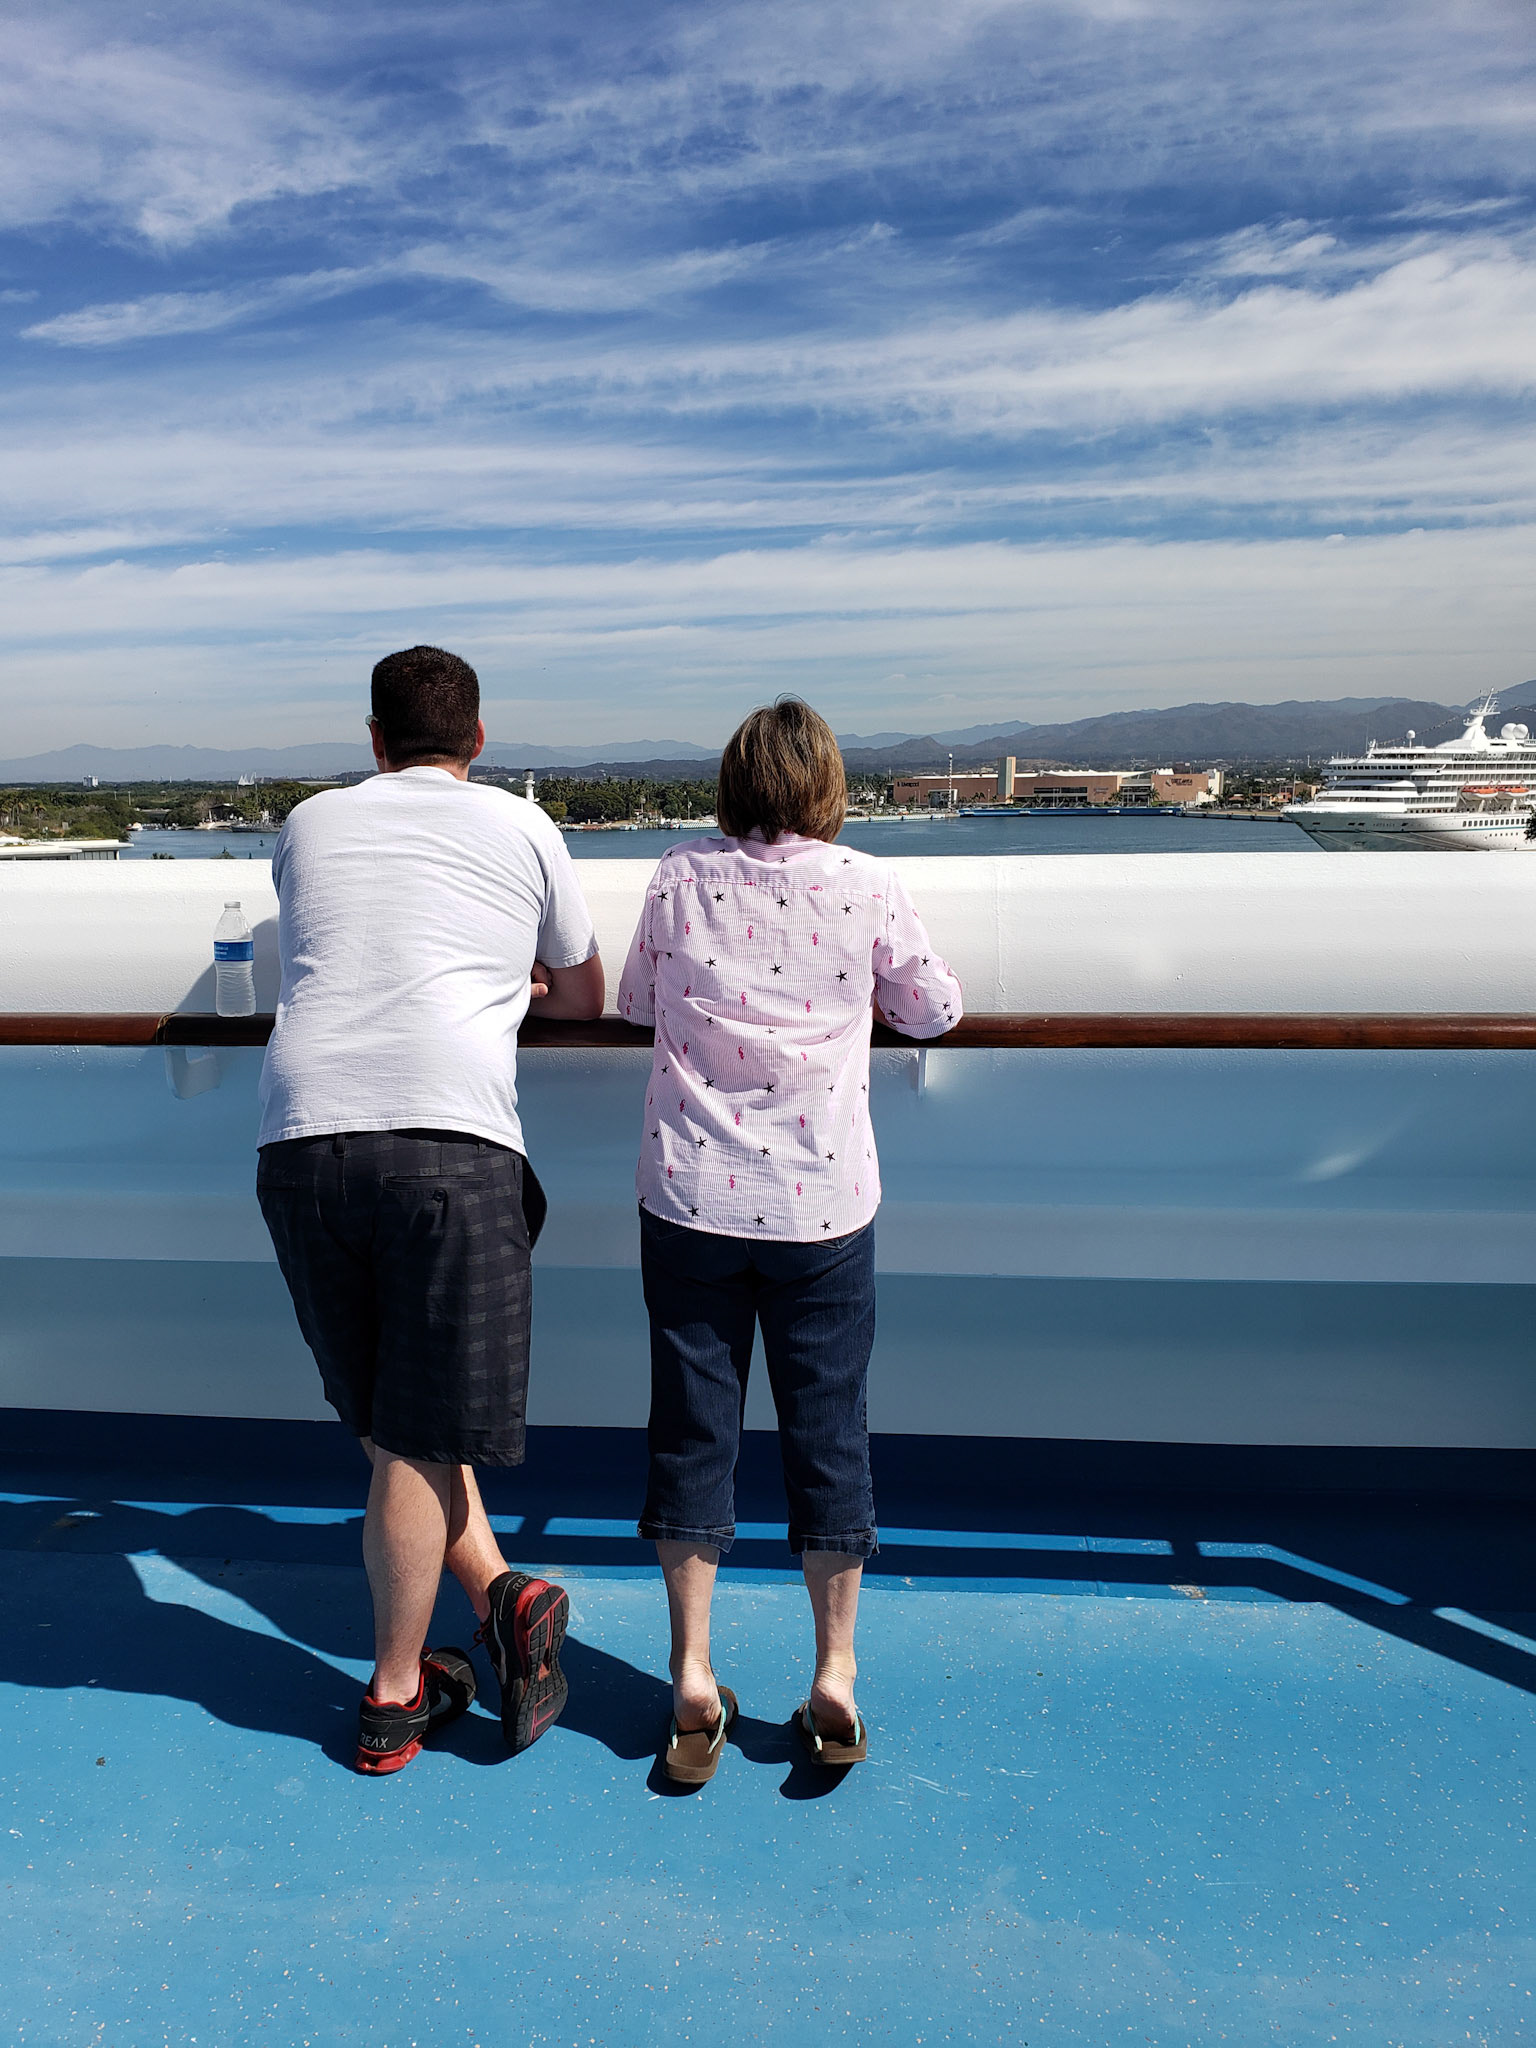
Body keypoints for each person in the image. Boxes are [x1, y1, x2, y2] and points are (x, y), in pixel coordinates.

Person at [255, 645, 604, 1775]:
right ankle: (395, 1695)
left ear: (373, 739)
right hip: (450, 1141)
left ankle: (503, 1595)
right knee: (411, 1435)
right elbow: (586, 994)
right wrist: (518, 983)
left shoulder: (309, 823)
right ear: (479, 739)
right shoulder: (522, 825)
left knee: (388, 1420)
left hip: (301, 1140)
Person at [616, 698, 962, 1783]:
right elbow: (935, 1009)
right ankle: (836, 1676)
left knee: (692, 1433)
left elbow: (636, 1001)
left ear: (732, 783)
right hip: (820, 1206)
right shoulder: (865, 882)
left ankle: (690, 1674)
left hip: (690, 1200)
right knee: (828, 1433)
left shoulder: (679, 874)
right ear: (827, 787)